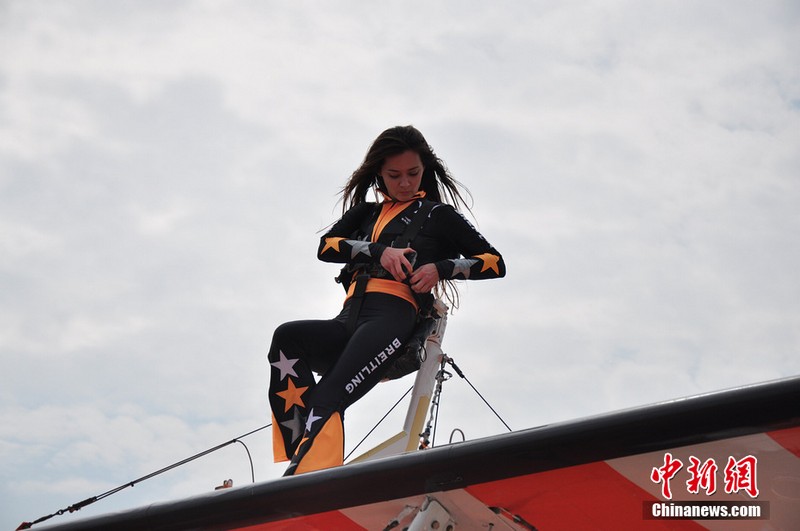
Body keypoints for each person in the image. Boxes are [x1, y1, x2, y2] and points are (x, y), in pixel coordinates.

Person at [267, 125, 505, 476]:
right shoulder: (365, 213)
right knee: (287, 339)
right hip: (349, 317)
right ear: (379, 172)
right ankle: (300, 456)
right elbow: (327, 247)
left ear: (425, 169)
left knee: (328, 397)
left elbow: (494, 262)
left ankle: (307, 479)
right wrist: (380, 251)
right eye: (394, 175)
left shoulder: (438, 215)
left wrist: (440, 268)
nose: (405, 183)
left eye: (413, 173)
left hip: (391, 318)